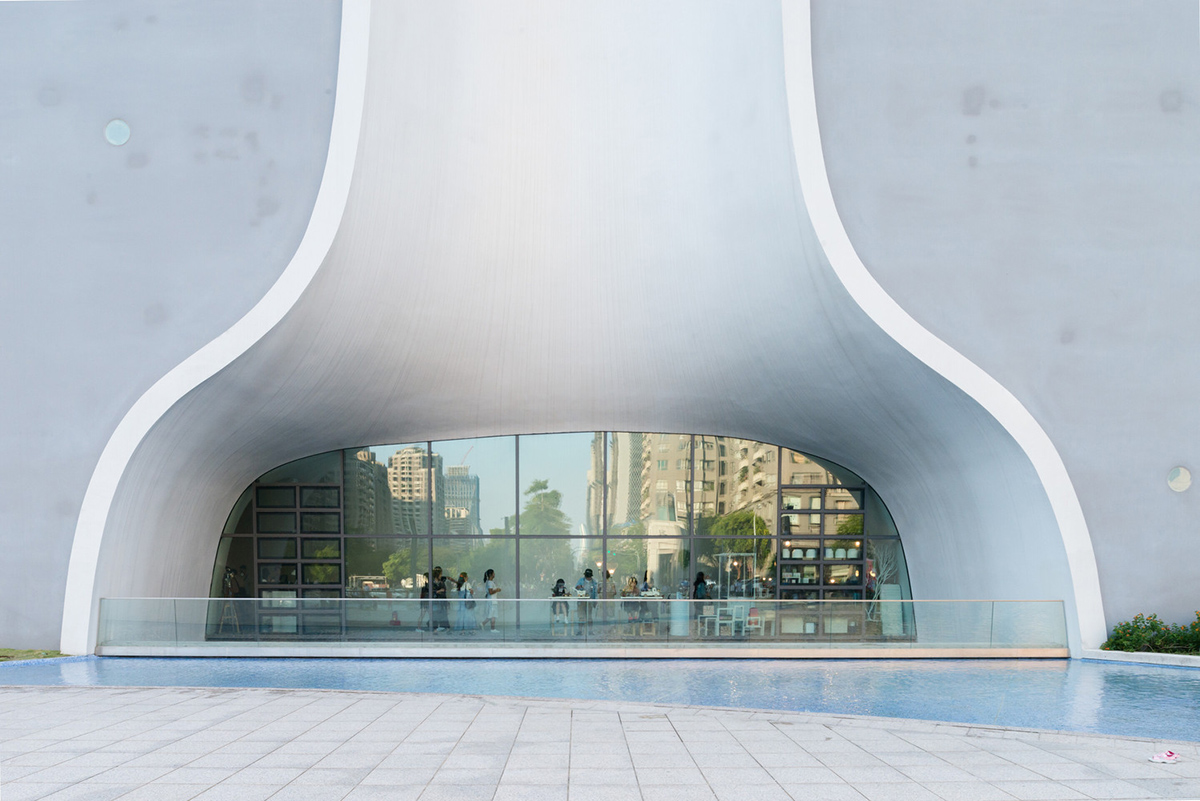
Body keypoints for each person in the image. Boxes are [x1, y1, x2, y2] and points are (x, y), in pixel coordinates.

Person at [575, 568, 597, 634]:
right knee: (581, 616)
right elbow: (576, 587)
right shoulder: (581, 580)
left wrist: (595, 600)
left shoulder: (594, 582)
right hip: (581, 601)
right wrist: (580, 586)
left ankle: (590, 631)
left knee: (589, 616)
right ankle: (580, 630)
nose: (588, 578)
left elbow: (595, 592)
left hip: (590, 601)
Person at [432, 566, 449, 632]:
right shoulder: (432, 583)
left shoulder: (441, 582)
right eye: (440, 574)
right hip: (436, 601)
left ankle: (443, 626)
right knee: (435, 614)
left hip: (441, 601)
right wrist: (438, 591)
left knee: (443, 613)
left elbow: (444, 590)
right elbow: (430, 592)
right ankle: (435, 628)